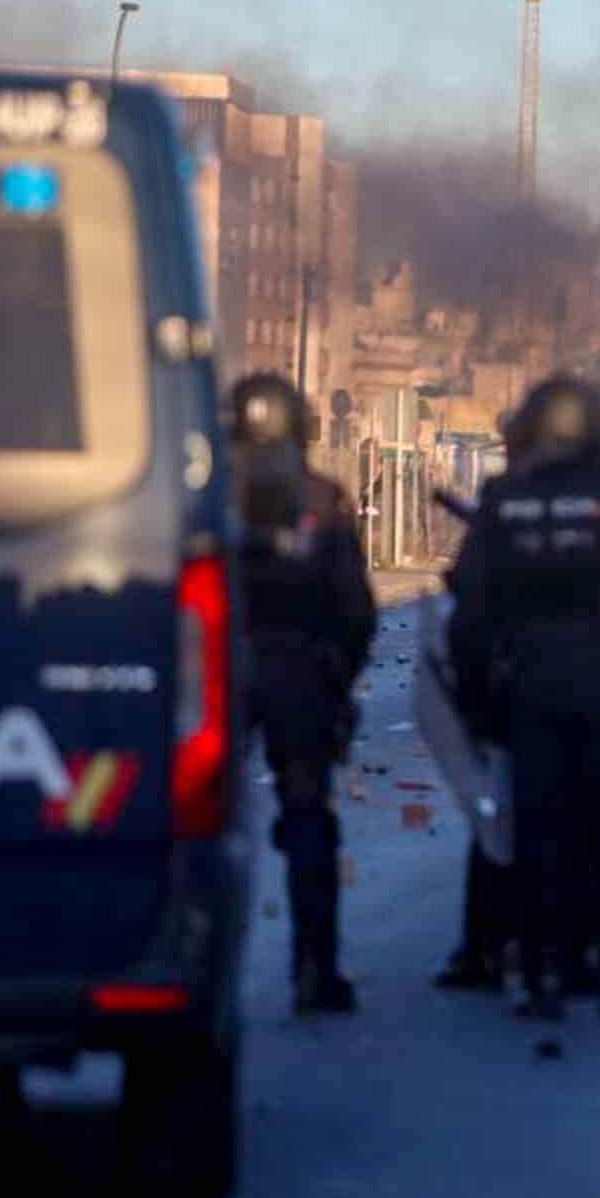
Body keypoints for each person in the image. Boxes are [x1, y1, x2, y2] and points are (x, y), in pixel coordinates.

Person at [446, 375, 600, 1021]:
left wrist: (476, 704)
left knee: (539, 832)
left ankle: (540, 975)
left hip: (529, 690)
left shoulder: (506, 500)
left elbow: (469, 615)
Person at [229, 373, 377, 1016]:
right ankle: (314, 971)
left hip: (220, 673)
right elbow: (357, 611)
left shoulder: (202, 500)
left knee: (189, 823)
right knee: (308, 816)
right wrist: (335, 679)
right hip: (301, 675)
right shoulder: (323, 501)